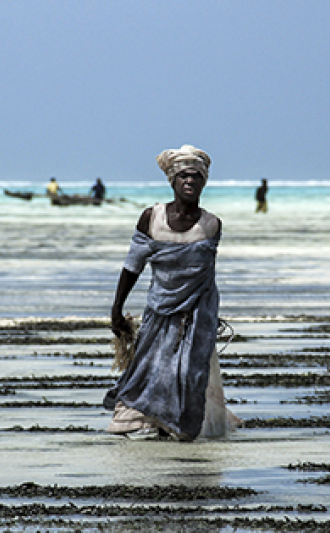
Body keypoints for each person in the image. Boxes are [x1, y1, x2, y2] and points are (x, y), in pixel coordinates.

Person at [104, 144, 241, 441]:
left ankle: (179, 428)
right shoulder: (151, 218)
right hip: (159, 312)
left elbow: (207, 276)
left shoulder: (211, 225)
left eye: (196, 176)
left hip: (197, 315)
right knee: (150, 371)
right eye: (183, 176)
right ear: (173, 181)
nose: (189, 181)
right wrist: (117, 309)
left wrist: (209, 318)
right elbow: (132, 266)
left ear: (204, 182)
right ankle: (153, 424)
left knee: (188, 374)